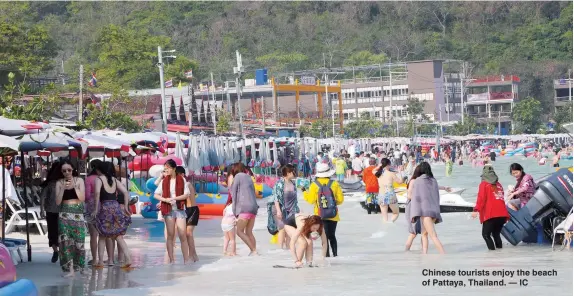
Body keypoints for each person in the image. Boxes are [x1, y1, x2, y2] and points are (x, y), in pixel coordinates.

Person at [92, 162, 132, 269]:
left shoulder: (99, 179)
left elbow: (97, 194)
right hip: (116, 207)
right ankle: (128, 258)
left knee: (102, 235)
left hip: (105, 208)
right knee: (118, 235)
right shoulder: (115, 180)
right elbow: (125, 192)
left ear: (101, 170)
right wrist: (127, 207)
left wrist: (95, 209)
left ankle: (100, 261)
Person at [153, 159, 191, 264]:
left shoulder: (181, 179)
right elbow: (156, 194)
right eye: (165, 169)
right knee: (170, 235)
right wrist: (165, 200)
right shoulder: (164, 181)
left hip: (179, 209)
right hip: (168, 209)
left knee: (182, 234)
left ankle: (186, 259)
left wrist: (175, 198)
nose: (166, 170)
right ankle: (171, 259)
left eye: (168, 168)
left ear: (174, 168)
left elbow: (186, 194)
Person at [303, 163, 344, 257]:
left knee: (324, 237)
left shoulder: (314, 185)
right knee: (332, 236)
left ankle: (327, 257)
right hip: (333, 214)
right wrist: (331, 203)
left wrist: (304, 192)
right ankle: (336, 256)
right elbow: (340, 200)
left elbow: (311, 200)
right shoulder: (334, 183)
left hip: (320, 215)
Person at [55, 160, 86, 277]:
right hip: (64, 214)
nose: (67, 172)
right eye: (64, 171)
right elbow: (57, 202)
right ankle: (70, 269)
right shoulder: (59, 183)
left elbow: (82, 198)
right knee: (65, 242)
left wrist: (74, 187)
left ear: (73, 170)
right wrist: (63, 188)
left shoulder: (79, 180)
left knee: (80, 241)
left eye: (69, 170)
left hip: (78, 213)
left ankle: (81, 266)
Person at [409, 162, 445, 254]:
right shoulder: (433, 180)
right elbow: (436, 195)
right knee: (424, 234)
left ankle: (444, 255)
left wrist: (414, 213)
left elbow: (416, 197)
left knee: (433, 236)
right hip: (434, 211)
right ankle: (424, 254)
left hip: (425, 212)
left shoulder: (418, 181)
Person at [471, 166, 510, 250]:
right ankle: (499, 255)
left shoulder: (484, 184)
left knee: (486, 235)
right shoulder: (499, 184)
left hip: (491, 214)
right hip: (502, 214)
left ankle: (493, 256)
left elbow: (481, 198)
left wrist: (476, 210)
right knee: (496, 234)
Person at [229, 162, 259, 255]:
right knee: (249, 232)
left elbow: (233, 195)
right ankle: (255, 252)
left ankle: (253, 250)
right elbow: (253, 192)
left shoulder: (237, 177)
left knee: (239, 231)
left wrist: (235, 212)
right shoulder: (248, 177)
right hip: (253, 207)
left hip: (244, 207)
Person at [269, 164, 299, 249]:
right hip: (279, 209)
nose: (295, 173)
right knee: (282, 228)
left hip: (290, 211)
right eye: (293, 171)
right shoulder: (279, 184)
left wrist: (297, 210)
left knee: (289, 229)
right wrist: (278, 211)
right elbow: (276, 198)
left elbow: (295, 199)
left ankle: (288, 250)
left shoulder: (293, 183)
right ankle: (280, 250)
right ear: (288, 173)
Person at [40, 161, 62, 263]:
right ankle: (62, 251)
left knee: (52, 231)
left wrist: (41, 210)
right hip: (62, 210)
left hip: (50, 210)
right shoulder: (64, 183)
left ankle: (55, 251)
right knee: (62, 231)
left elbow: (43, 197)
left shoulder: (50, 184)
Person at [177, 166, 199, 262]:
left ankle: (193, 255)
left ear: (182, 175)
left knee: (189, 233)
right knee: (186, 234)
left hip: (192, 210)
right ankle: (193, 254)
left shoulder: (188, 184)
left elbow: (185, 195)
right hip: (185, 211)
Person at [84, 159, 102, 265]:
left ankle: (95, 259)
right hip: (103, 205)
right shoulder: (103, 178)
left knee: (93, 235)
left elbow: (86, 195)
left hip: (91, 206)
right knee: (103, 234)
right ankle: (102, 258)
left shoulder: (89, 179)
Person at [373, 158, 403, 223]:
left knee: (384, 218)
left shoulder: (378, 174)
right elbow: (400, 182)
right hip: (390, 194)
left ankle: (386, 227)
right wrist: (400, 172)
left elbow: (373, 170)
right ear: (388, 165)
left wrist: (379, 166)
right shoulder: (391, 174)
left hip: (381, 195)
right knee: (396, 213)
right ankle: (390, 224)